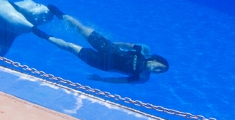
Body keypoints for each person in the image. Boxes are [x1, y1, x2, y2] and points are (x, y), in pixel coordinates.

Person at [33, 6, 169, 84]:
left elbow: (121, 80)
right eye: (160, 67)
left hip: (102, 63)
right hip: (108, 48)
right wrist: (111, 44)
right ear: (157, 60)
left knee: (70, 47)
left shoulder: (143, 77)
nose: (157, 71)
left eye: (160, 72)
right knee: (81, 28)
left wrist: (101, 79)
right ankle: (60, 14)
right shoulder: (145, 50)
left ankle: (44, 36)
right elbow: (127, 45)